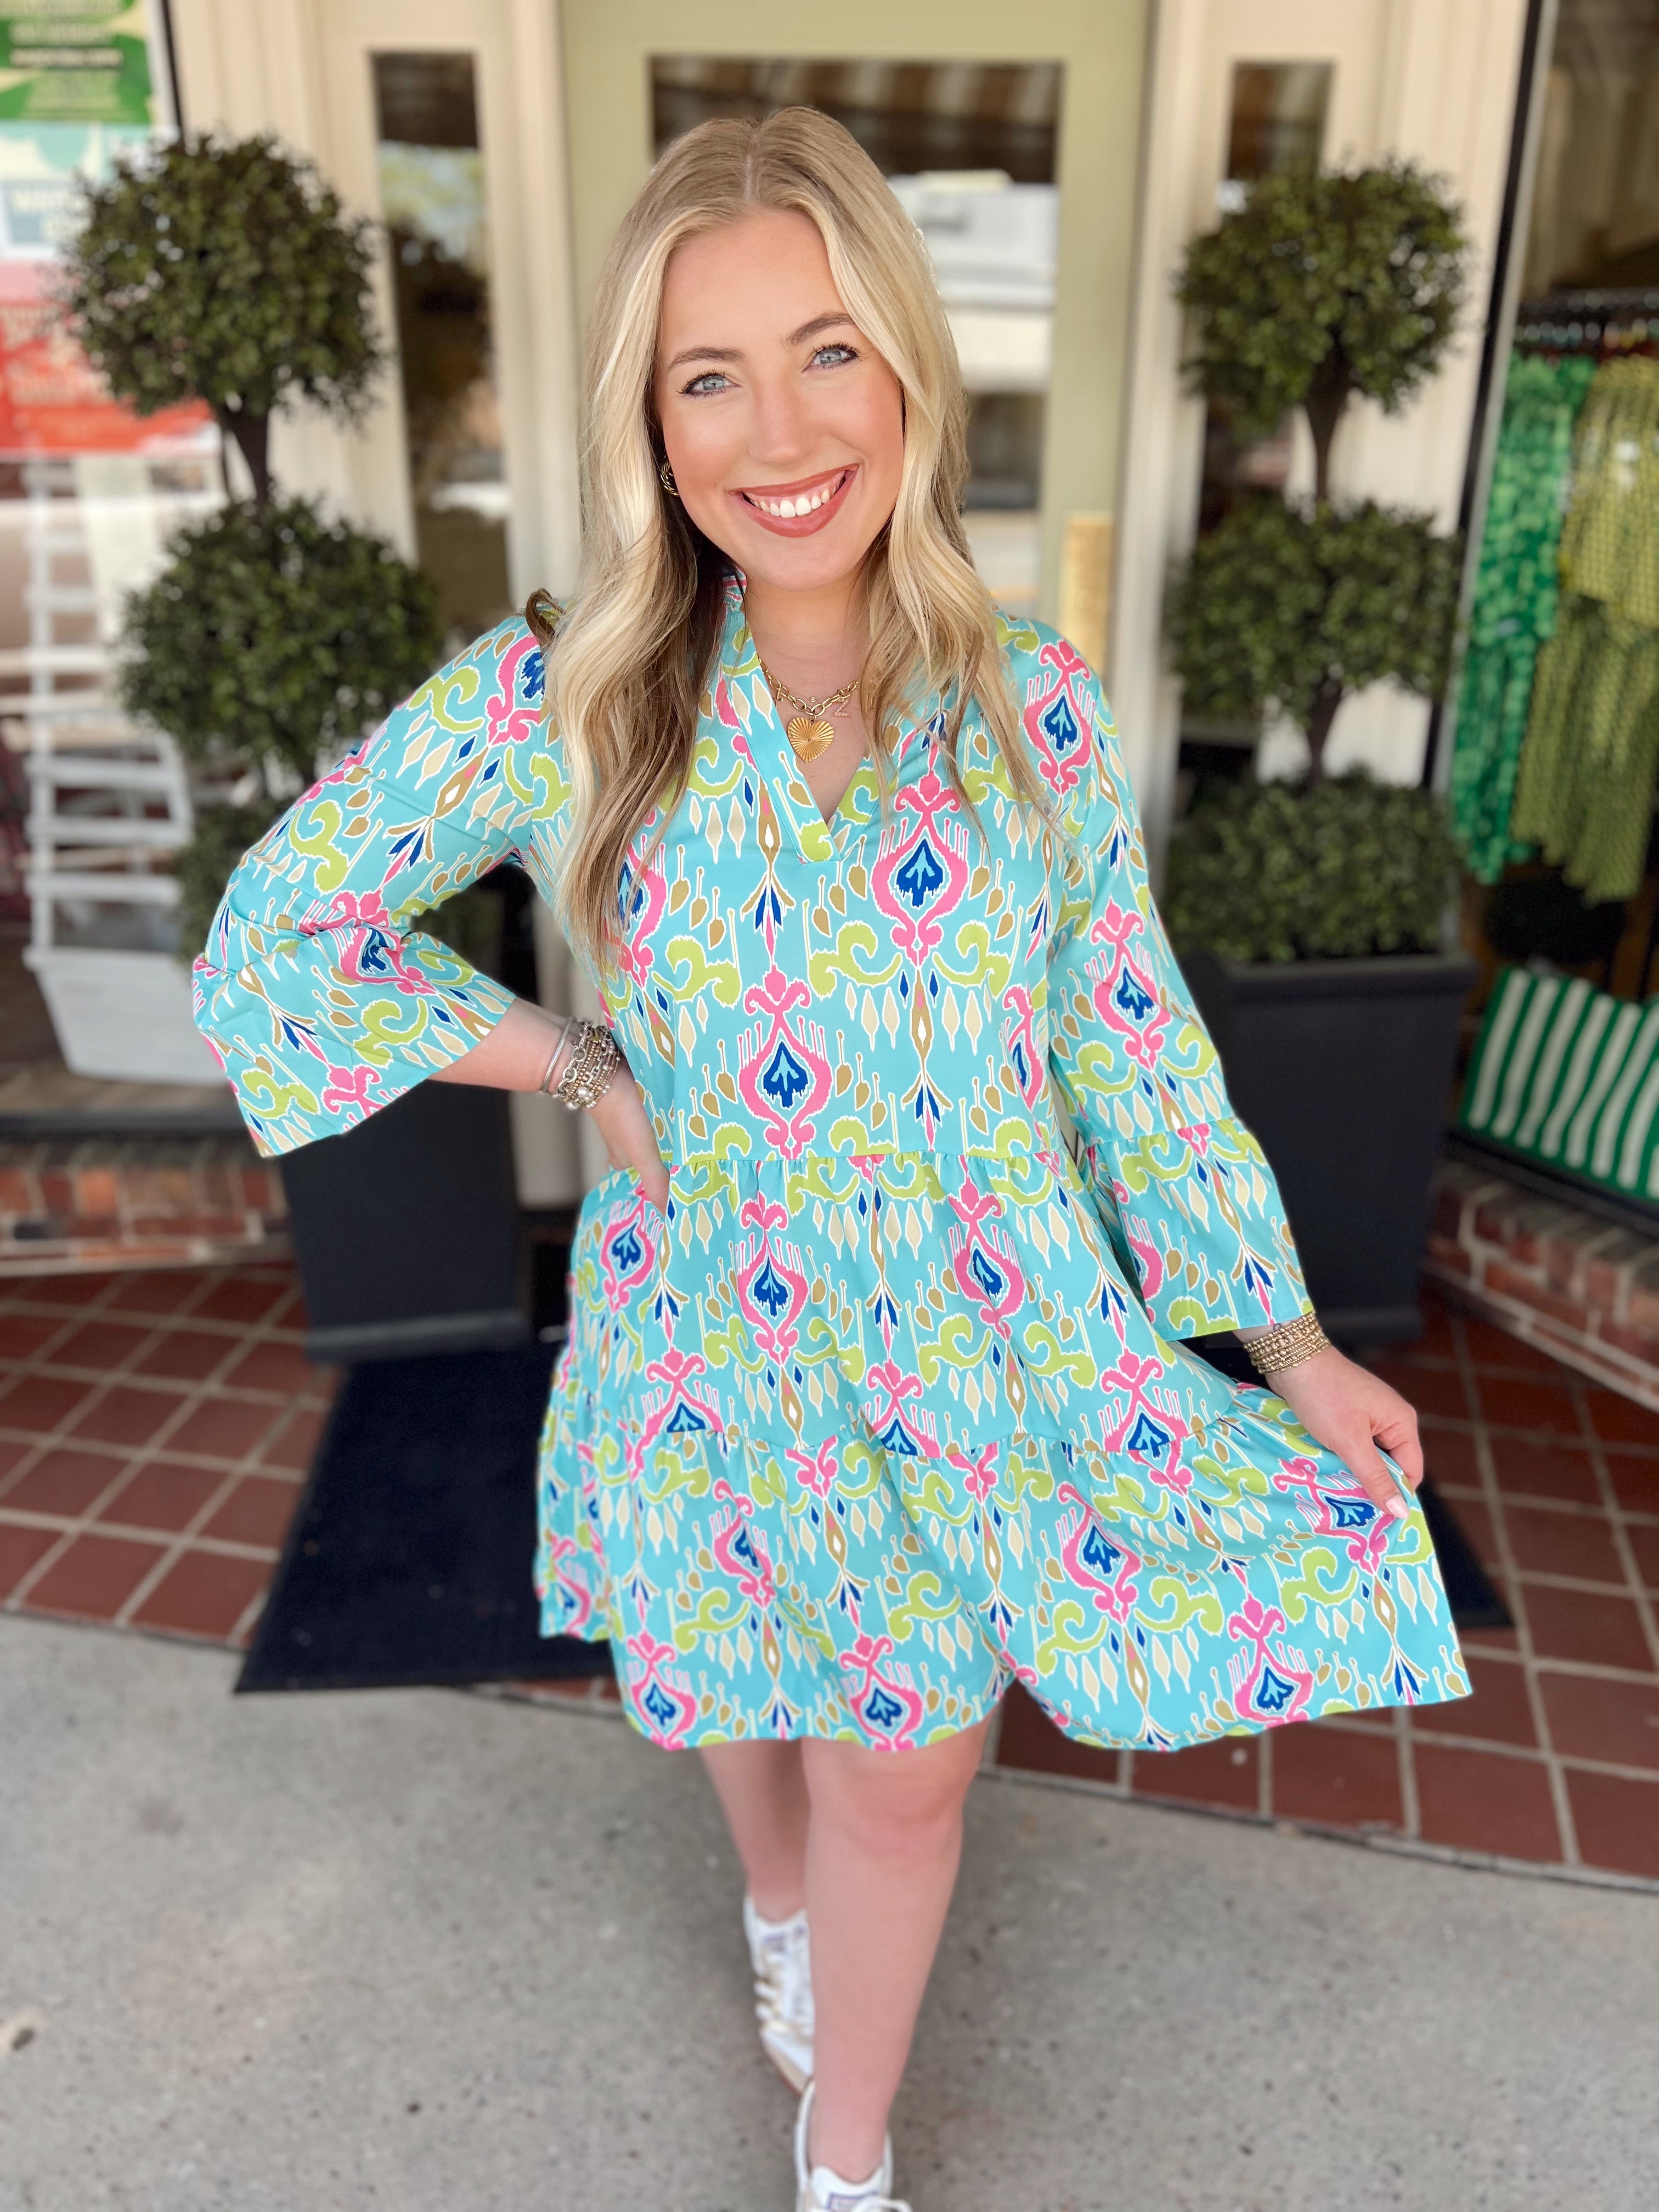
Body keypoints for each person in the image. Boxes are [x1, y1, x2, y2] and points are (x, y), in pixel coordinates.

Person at [197, 108, 1469, 2212]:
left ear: (907, 373)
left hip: (974, 1348)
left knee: (909, 1770)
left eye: (827, 353)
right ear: (649, 418)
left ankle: (843, 2156)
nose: (778, 433)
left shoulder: (1032, 706)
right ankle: (773, 1905)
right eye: (709, 375)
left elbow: (1135, 1052)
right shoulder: (573, 697)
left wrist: (1291, 1342)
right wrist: (572, 1057)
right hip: (713, 1336)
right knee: (739, 1681)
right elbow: (281, 933)